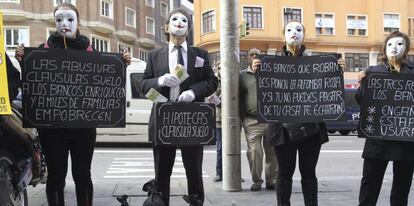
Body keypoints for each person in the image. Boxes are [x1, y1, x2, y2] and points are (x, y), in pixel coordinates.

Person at [15, 3, 131, 206]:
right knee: (56, 177)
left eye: (69, 19)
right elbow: (30, 85)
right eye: (59, 20)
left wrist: (122, 62)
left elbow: (108, 81)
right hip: (52, 130)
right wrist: (22, 61)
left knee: (83, 176)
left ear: (79, 22)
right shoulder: (42, 52)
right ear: (54, 23)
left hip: (83, 129)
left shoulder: (92, 52)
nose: (64, 24)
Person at [139, 8, 218, 206]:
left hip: (191, 120)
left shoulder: (200, 54)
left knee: (194, 171)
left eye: (184, 20)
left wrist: (193, 92)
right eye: (175, 19)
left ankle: (196, 202)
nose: (180, 22)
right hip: (164, 119)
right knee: (162, 170)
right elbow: (142, 85)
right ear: (166, 27)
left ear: (188, 28)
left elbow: (212, 81)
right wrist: (160, 81)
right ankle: (161, 202)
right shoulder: (155, 55)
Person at [265, 21, 345, 206]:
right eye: (289, 30)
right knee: (284, 173)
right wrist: (257, 71)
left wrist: (337, 70)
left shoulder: (317, 65)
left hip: (311, 128)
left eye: (299, 29)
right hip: (282, 129)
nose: (294, 33)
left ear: (304, 36)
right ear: (282, 37)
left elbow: (328, 90)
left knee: (309, 173)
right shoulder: (270, 64)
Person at [357, 31, 414, 206]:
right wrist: (362, 85)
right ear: (384, 49)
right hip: (377, 140)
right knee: (369, 188)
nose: (394, 48)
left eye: (399, 44)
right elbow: (361, 101)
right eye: (390, 44)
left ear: (406, 49)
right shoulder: (373, 72)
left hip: (405, 140)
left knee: (401, 190)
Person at [239, 48, 278, 191]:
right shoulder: (242, 75)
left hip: (270, 119)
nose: (255, 56)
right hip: (252, 120)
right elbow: (238, 97)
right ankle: (257, 180)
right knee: (254, 151)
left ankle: (271, 180)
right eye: (252, 54)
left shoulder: (271, 73)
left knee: (272, 152)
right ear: (248, 58)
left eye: (257, 54)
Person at [212, 61, 223, 182]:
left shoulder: (233, 79)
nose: (221, 70)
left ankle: (234, 171)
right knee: (220, 147)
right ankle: (219, 172)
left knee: (234, 147)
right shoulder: (215, 81)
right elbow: (211, 97)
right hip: (219, 119)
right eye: (219, 67)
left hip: (233, 119)